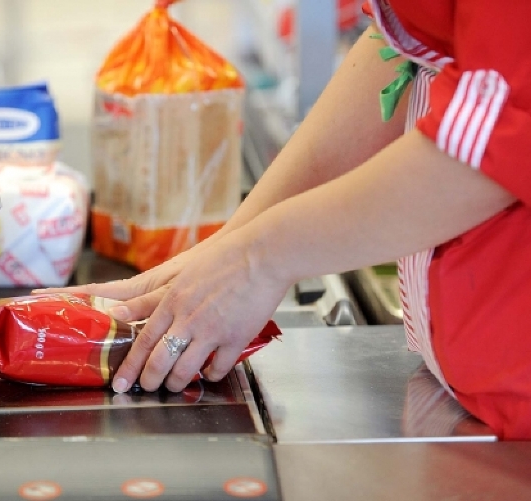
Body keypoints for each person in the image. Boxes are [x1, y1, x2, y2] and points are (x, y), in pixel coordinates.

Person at [42, 0, 531, 440]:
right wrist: (229, 247)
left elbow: (497, 139)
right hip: (471, 390)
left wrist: (260, 258)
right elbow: (404, 45)